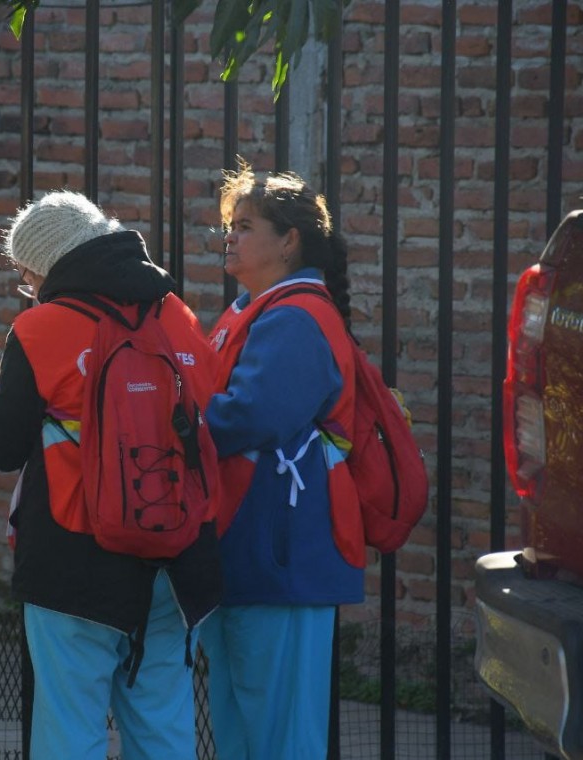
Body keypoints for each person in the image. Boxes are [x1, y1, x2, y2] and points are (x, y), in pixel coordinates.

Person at [0, 191, 222, 760]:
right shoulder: (176, 314)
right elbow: (209, 405)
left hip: (71, 558)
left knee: (70, 728)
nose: (27, 287)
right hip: (175, 555)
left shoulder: (40, 328)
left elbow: (5, 448)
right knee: (163, 724)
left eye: (26, 275)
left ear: (46, 265)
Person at [199, 159, 365, 758]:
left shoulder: (297, 317)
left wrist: (169, 421)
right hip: (253, 549)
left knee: (282, 738)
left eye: (245, 226)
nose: (230, 237)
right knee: (242, 733)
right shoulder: (256, 308)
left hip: (283, 558)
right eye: (230, 225)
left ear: (289, 240)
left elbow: (250, 415)